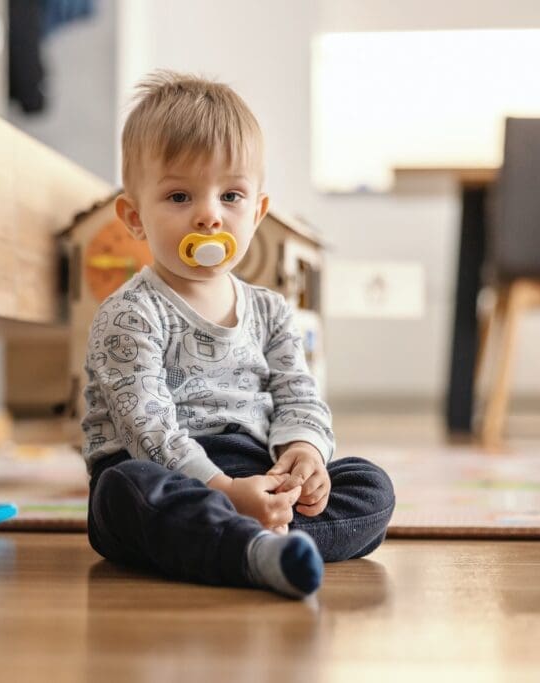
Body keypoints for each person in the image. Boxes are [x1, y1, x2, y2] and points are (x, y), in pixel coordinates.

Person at [81, 71, 394, 599]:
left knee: (371, 487)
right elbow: (145, 425)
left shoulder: (271, 311)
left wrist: (304, 455)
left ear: (258, 211)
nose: (209, 216)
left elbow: (298, 392)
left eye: (230, 195)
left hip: (254, 468)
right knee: (125, 491)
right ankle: (251, 546)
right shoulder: (132, 313)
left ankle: (251, 540)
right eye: (180, 196)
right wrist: (223, 490)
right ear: (134, 218)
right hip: (168, 473)